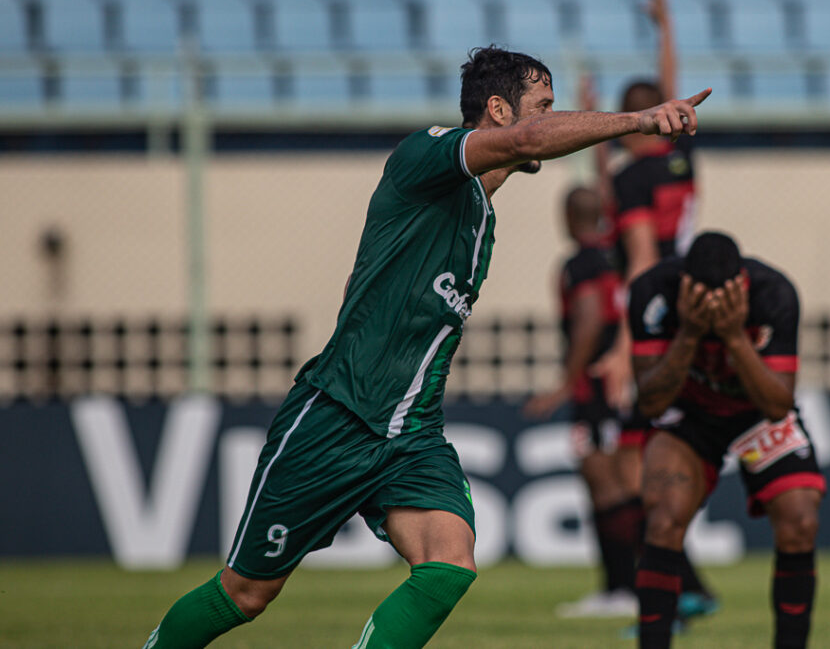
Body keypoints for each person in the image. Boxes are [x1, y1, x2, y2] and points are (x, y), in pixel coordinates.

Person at [140, 45, 711, 649]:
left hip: (411, 432)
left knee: (450, 563)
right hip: (337, 414)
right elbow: (527, 141)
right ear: (497, 110)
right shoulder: (426, 155)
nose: (550, 117)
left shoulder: (481, 220)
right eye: (542, 105)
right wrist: (639, 122)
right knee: (246, 593)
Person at [588, 0, 717, 623]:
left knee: (640, 460)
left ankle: (679, 586)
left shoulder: (634, 175)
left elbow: (638, 258)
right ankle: (679, 586)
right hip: (692, 303)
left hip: (653, 318)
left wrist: (619, 347)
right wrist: (666, 24)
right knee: (652, 452)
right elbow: (671, 93)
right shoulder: (677, 160)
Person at [628, 231, 826, 649]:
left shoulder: (774, 293)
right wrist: (690, 333)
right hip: (689, 414)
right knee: (663, 519)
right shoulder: (652, 291)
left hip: (753, 413)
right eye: (702, 295)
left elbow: (777, 405)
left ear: (742, 283)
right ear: (684, 282)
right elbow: (650, 401)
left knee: (800, 520)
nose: (714, 304)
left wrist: (735, 336)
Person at [523, 186, 639, 618]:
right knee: (618, 483)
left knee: (603, 483)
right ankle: (628, 586)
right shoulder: (616, 255)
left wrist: (564, 383)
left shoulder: (580, 264)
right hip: (621, 384)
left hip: (594, 388)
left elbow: (589, 318)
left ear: (568, 217)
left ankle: (622, 589)